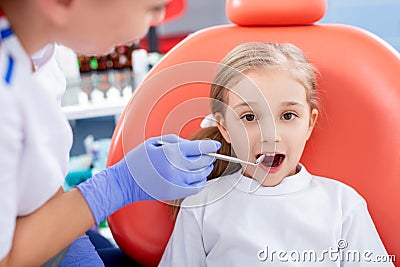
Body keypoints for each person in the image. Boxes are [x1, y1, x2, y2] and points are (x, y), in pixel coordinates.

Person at [0, 0, 221, 266]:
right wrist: (117, 185)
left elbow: (30, 168)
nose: (159, 17)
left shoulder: (36, 48)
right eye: (152, 7)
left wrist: (70, 229)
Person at [159, 42, 393, 266]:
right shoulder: (202, 204)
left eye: (288, 116)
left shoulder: (343, 204)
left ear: (309, 123)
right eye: (249, 117)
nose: (270, 136)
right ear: (225, 128)